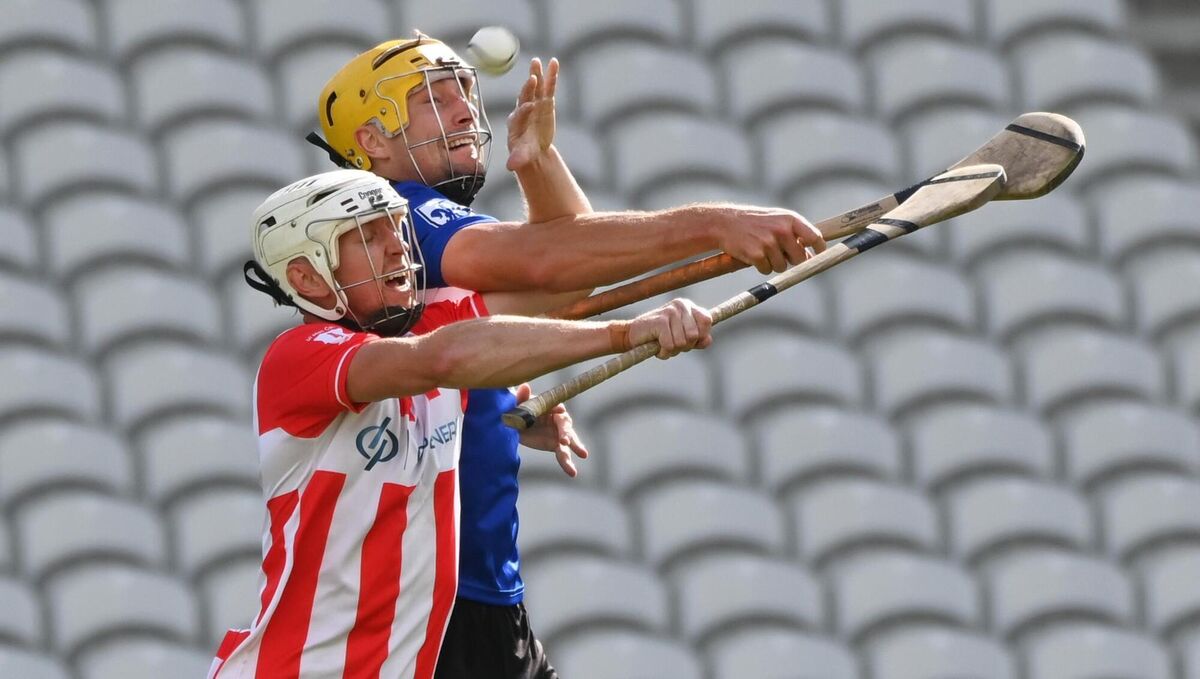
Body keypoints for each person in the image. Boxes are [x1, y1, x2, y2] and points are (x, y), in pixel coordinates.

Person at [309, 33, 827, 679]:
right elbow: (547, 264)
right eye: (433, 99)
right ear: (374, 142)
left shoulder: (431, 254)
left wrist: (538, 162)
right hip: (420, 610)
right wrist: (718, 226)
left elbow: (561, 283)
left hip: (487, 594)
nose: (465, 110)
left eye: (461, 93)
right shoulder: (397, 222)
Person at [208, 169, 714, 679]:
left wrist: (501, 408)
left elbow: (565, 284)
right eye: (367, 235)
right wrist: (627, 333)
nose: (397, 249)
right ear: (307, 277)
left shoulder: (426, 330)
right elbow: (446, 359)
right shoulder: (297, 358)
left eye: (395, 227)